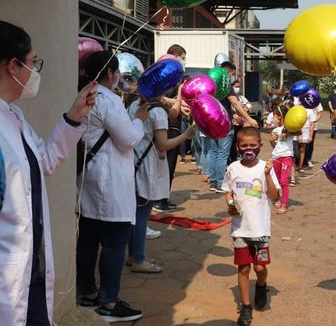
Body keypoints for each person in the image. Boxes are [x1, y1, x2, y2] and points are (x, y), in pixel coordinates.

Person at [0, 21, 97, 325]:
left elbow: (45, 161)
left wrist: (74, 116)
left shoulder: (14, 115)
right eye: (33, 63)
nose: (35, 72)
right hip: (8, 273)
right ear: (13, 66)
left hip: (31, 268)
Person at [76, 51, 147, 322]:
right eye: (117, 72)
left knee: (88, 239)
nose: (119, 78)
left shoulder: (85, 94)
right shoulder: (108, 99)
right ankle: (108, 301)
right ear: (110, 73)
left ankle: (87, 293)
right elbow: (128, 139)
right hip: (109, 181)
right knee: (115, 241)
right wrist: (139, 118)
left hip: (90, 176)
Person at [127, 97, 196, 273]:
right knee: (142, 213)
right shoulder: (157, 112)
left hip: (135, 161)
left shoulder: (135, 104)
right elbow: (164, 144)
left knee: (135, 214)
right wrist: (186, 135)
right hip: (148, 166)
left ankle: (135, 255)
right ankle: (138, 259)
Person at [222, 127, 280, 326]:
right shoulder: (233, 168)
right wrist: (230, 205)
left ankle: (262, 285)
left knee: (260, 266)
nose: (249, 149)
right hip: (240, 230)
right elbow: (228, 191)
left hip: (261, 230)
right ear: (237, 147)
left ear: (260, 147)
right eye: (244, 146)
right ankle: (246, 308)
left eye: (253, 146)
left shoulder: (266, 167)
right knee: (244, 268)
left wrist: (268, 176)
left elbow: (275, 196)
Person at [209, 60, 258, 193]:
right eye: (232, 74)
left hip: (211, 122)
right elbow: (236, 104)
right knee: (223, 154)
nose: (232, 76)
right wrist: (249, 118)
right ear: (227, 72)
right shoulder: (226, 86)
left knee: (213, 152)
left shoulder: (210, 86)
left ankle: (213, 181)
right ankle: (219, 182)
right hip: (224, 123)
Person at [154, 44, 187, 212]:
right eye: (182, 57)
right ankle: (160, 200)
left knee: (167, 165)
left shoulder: (169, 78)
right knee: (167, 164)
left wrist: (180, 105)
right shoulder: (167, 79)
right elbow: (162, 100)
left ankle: (161, 198)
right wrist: (179, 100)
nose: (183, 61)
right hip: (168, 125)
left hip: (170, 123)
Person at [270, 106, 294, 214]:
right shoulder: (275, 129)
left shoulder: (291, 128)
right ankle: (277, 199)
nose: (273, 118)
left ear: (280, 116)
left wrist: (285, 133)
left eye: (275, 115)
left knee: (284, 181)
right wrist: (272, 139)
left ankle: (284, 204)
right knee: (277, 180)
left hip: (287, 156)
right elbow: (272, 143)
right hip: (276, 156)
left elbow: (297, 132)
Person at [230, 80, 252, 164]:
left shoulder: (241, 97)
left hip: (242, 124)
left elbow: (249, 105)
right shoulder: (231, 98)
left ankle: (241, 156)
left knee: (241, 140)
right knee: (233, 142)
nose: (238, 88)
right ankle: (233, 159)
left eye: (239, 86)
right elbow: (233, 109)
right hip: (233, 124)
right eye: (236, 86)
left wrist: (246, 108)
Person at [304, 102, 323, 168]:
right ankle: (301, 160)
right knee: (302, 144)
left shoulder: (316, 100)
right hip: (302, 126)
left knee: (310, 143)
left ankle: (308, 159)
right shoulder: (302, 99)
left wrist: (314, 120)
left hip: (313, 126)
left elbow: (320, 112)